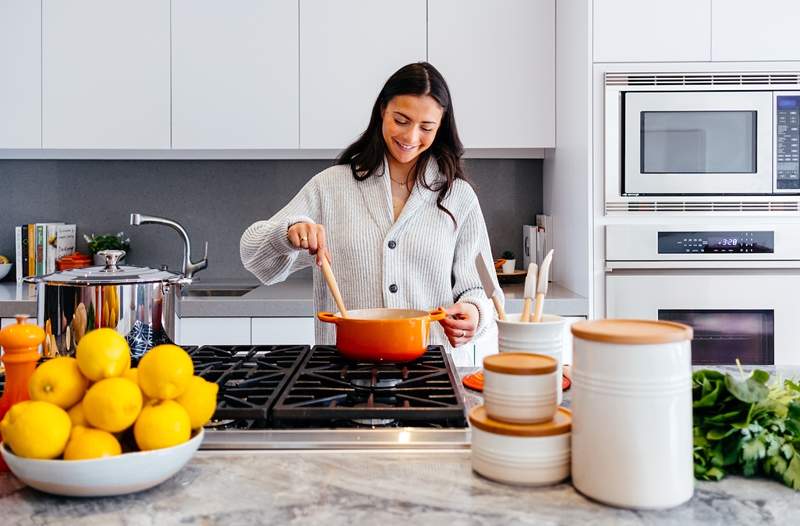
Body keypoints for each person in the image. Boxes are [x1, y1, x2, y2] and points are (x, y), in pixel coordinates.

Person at [240, 62, 503, 354]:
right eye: (401, 120)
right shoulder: (330, 187)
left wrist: (474, 313)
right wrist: (288, 233)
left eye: (426, 127)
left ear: (440, 128)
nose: (411, 137)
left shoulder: (458, 196)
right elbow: (254, 257)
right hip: (343, 375)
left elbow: (483, 291)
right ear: (382, 111)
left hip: (430, 376)